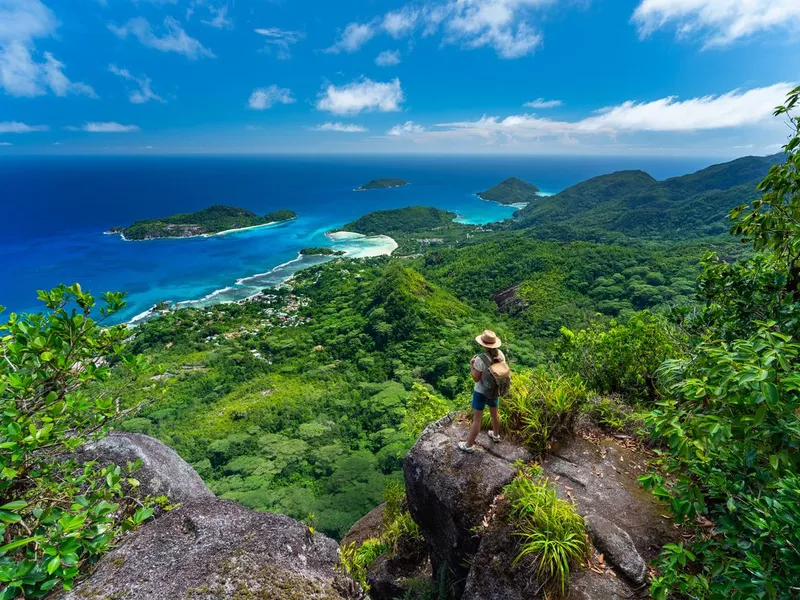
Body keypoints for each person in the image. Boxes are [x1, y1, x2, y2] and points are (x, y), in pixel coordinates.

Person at [458, 330, 506, 453]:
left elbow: (476, 378)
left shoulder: (480, 359)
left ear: (483, 345)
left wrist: (472, 365)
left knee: (477, 419)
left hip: (481, 392)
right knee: (494, 414)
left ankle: (468, 445)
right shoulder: (500, 355)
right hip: (494, 390)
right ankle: (496, 435)